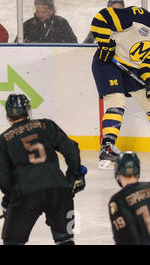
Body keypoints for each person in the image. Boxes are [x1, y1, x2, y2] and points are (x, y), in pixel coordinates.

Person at [90, 0, 150, 169]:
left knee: (149, 100)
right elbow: (101, 18)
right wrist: (105, 44)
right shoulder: (136, 16)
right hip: (108, 63)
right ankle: (107, 146)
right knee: (117, 101)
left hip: (132, 68)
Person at [0, 93, 86, 245]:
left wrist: (11, 196)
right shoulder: (46, 125)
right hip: (58, 190)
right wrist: (75, 177)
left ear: (7, 114)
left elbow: (3, 176)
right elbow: (72, 149)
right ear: (27, 109)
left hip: (26, 193)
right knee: (65, 239)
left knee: (12, 241)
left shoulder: (3, 140)